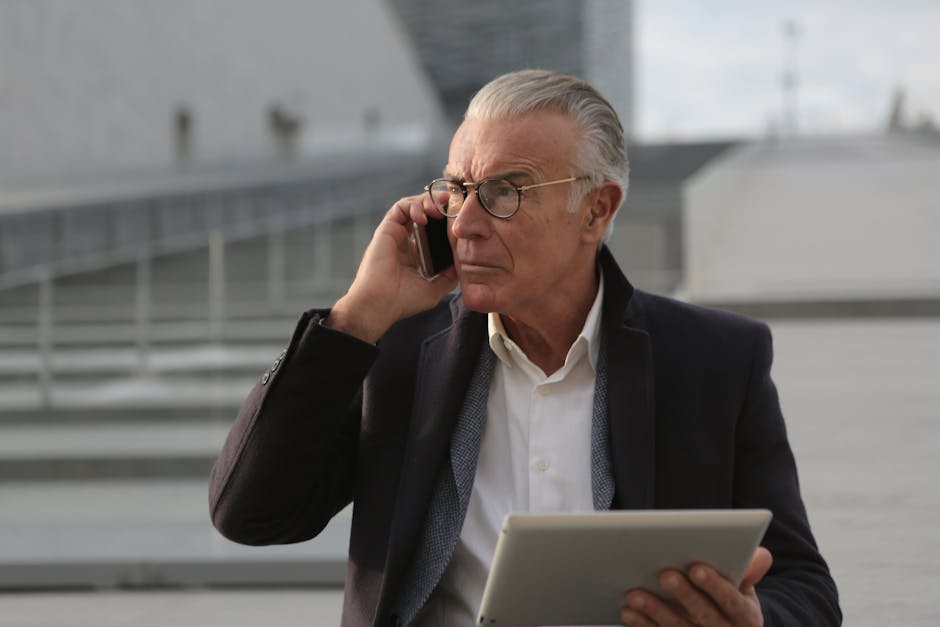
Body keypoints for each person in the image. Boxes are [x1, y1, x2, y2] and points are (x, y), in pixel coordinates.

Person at [209, 69, 840, 627]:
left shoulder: (716, 360)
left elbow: (805, 590)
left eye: (505, 192)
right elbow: (250, 514)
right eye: (457, 189)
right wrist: (355, 318)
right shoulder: (397, 348)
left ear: (596, 210)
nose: (466, 223)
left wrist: (752, 621)